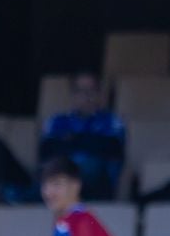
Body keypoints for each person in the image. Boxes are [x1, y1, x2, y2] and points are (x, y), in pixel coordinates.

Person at [39, 73, 126, 202]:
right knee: (56, 169)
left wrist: (71, 141)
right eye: (80, 91)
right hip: (62, 176)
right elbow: (47, 150)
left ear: (99, 94)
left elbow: (111, 148)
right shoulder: (57, 122)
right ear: (73, 95)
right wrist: (87, 141)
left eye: (91, 91)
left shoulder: (111, 121)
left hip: (97, 185)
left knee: (90, 165)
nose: (86, 96)